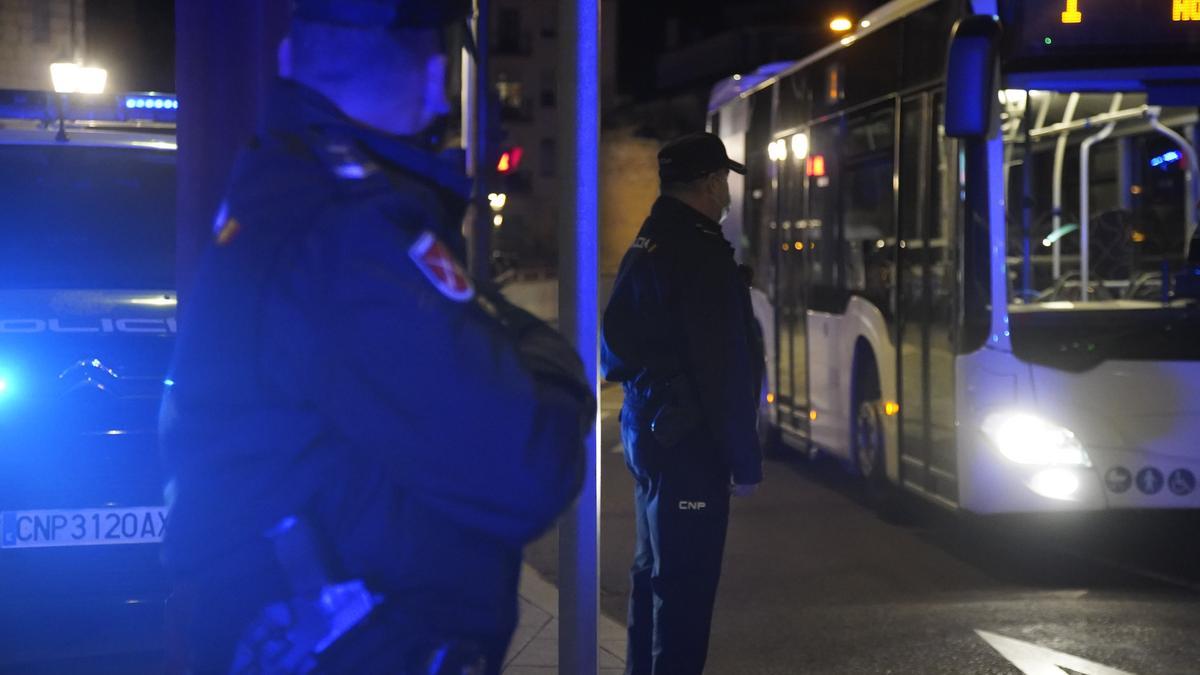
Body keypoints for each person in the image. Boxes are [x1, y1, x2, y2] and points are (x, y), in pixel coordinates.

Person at [159, 1, 592, 672]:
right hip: (358, 647)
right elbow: (528, 465)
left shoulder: (279, 187)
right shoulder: (351, 235)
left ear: (285, 60)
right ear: (434, 80)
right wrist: (550, 360)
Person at [602, 132, 764, 674]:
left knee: (654, 579)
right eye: (724, 182)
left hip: (650, 432)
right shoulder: (699, 252)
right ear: (710, 182)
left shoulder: (650, 239)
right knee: (685, 593)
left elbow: (613, 344)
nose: (727, 194)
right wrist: (742, 458)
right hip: (688, 447)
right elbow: (723, 368)